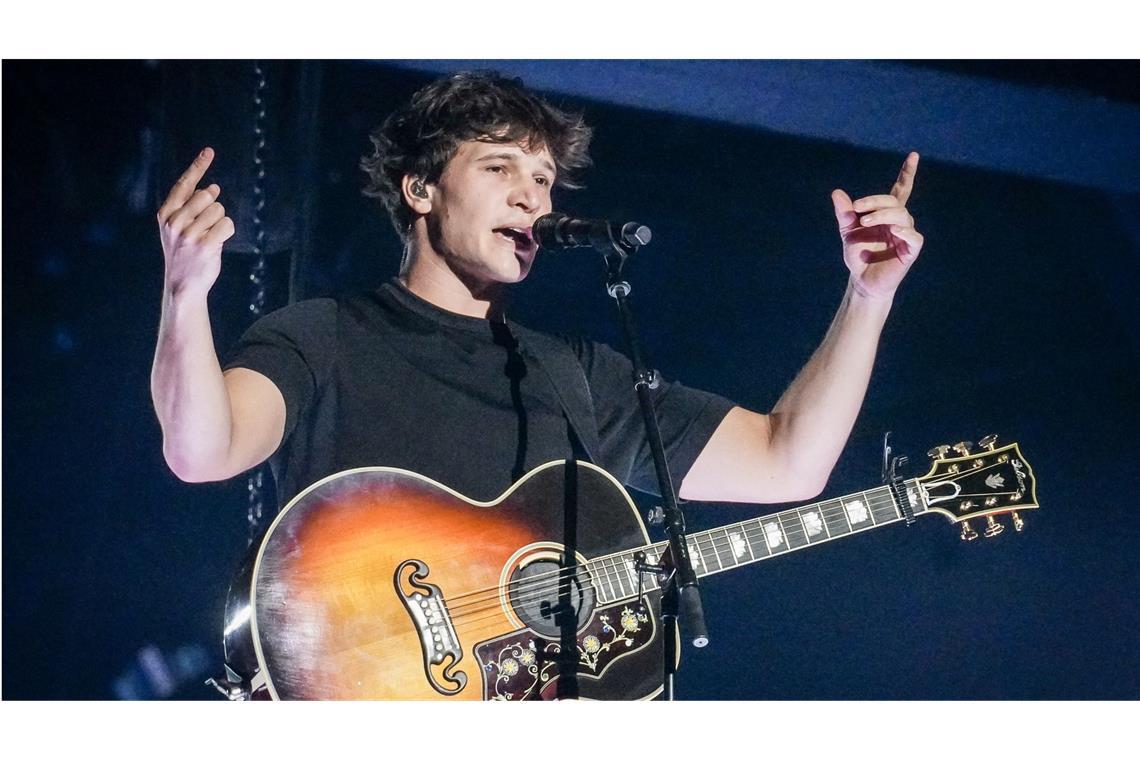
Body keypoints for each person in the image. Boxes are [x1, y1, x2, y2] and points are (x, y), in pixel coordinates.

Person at [151, 70, 924, 517]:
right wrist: (184, 298)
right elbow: (201, 452)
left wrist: (868, 297)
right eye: (499, 169)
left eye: (544, 179)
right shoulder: (320, 338)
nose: (533, 198)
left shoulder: (574, 377)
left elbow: (787, 466)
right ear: (420, 190)